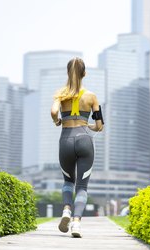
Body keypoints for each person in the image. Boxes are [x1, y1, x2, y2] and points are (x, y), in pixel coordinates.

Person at [51, 57, 104, 238]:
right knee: (82, 186)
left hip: (65, 139)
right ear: (84, 74)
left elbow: (53, 111)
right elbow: (99, 125)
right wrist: (87, 126)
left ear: (68, 73)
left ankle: (66, 210)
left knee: (68, 182)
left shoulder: (60, 93)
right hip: (84, 140)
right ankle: (76, 223)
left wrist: (57, 120)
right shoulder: (91, 97)